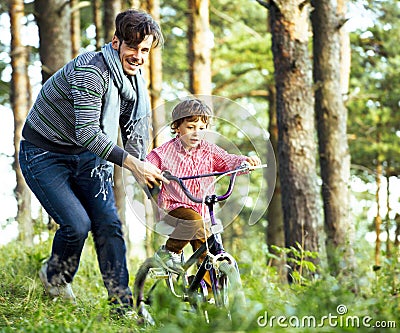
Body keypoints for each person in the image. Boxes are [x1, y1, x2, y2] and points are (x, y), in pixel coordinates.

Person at [18, 9, 166, 311]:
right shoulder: (92, 71)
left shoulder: (133, 83)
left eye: (144, 50)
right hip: (44, 153)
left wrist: (150, 172)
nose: (138, 56)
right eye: (132, 47)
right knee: (77, 224)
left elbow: (133, 133)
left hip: (87, 157)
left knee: (109, 224)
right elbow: (87, 132)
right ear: (116, 42)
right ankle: (55, 276)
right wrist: (133, 165)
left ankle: (122, 303)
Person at [145, 99, 261, 279]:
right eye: (191, 127)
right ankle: (168, 252)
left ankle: (207, 294)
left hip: (203, 212)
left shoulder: (209, 150)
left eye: (201, 128)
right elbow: (149, 164)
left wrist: (244, 162)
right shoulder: (164, 152)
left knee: (209, 254)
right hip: (174, 209)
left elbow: (228, 160)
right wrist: (148, 172)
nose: (196, 133)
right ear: (177, 126)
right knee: (194, 221)